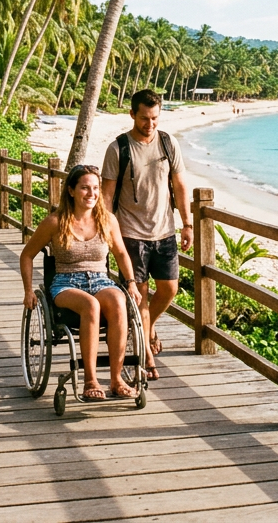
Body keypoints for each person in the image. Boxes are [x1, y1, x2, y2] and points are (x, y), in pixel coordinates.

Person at [21, 165, 144, 400]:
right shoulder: (55, 222)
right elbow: (27, 255)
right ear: (71, 191)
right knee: (90, 305)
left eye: (95, 188)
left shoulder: (107, 220)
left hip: (100, 278)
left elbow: (120, 253)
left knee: (119, 301)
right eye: (85, 188)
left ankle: (117, 379)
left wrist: (130, 283)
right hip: (66, 282)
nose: (91, 193)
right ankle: (90, 380)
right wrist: (28, 290)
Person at [101, 89, 192, 380]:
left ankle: (146, 326)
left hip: (164, 231)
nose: (149, 124)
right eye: (144, 118)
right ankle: (147, 357)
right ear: (132, 115)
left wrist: (187, 223)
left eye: (154, 118)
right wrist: (107, 233)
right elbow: (107, 195)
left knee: (169, 289)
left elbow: (179, 185)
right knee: (139, 296)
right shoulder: (118, 149)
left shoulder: (168, 143)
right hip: (131, 233)